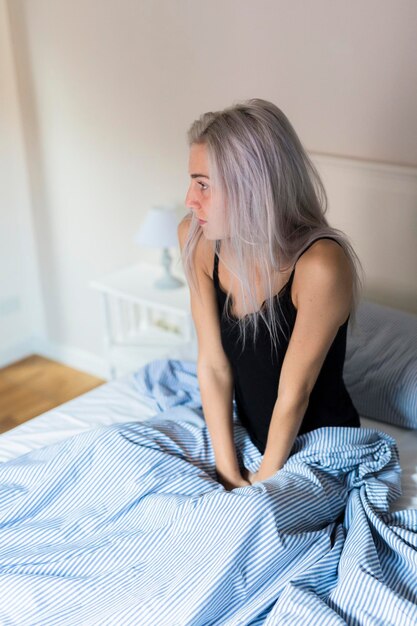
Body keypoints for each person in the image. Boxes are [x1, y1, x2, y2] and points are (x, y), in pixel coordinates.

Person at [178, 98, 363, 491]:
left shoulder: (320, 266)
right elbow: (212, 365)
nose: (190, 201)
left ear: (251, 186)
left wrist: (263, 481)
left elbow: (295, 391)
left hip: (318, 444)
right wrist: (227, 472)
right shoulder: (196, 239)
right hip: (244, 432)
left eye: (204, 185)